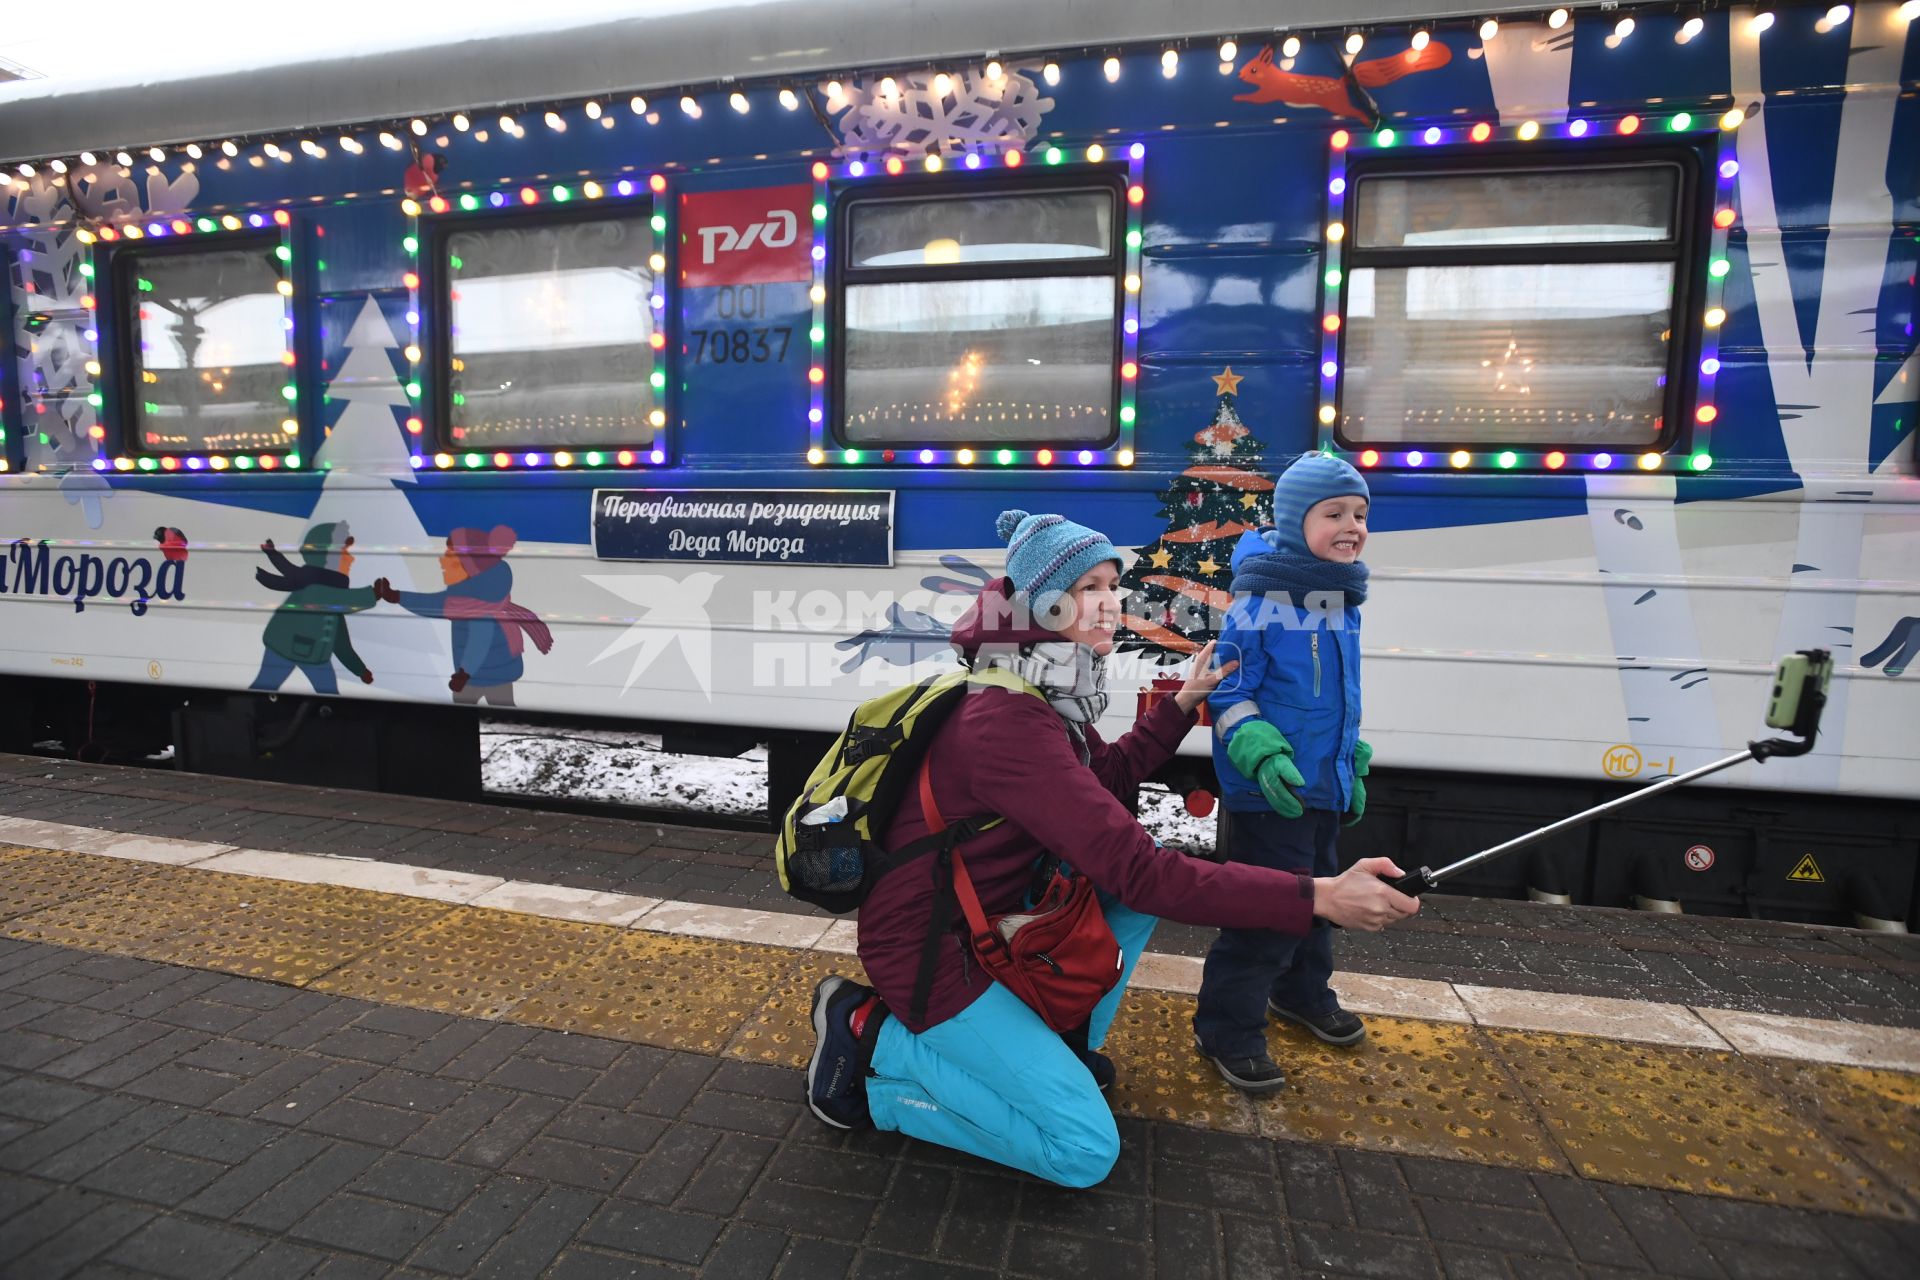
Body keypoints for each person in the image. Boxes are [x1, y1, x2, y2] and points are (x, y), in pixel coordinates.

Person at [805, 508, 1418, 1188]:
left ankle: (1057, 1049)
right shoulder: (1007, 722)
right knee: (1081, 1152)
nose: (1111, 603)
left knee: (1124, 894)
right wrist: (1318, 896)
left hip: (991, 924)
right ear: (1044, 603)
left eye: (1111, 585)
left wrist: (1182, 703)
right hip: (930, 957)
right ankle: (870, 1042)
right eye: (1091, 587)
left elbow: (1106, 783)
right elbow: (1145, 870)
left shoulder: (1040, 690)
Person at [1193, 453, 1375, 1092]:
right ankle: (1227, 1028)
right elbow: (1228, 693)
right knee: (1267, 913)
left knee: (1321, 902)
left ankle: (1301, 993)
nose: (1351, 525)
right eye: (1334, 514)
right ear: (1297, 523)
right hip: (1268, 791)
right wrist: (1261, 752)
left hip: (1320, 785)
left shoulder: (1343, 600)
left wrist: (1351, 756)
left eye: (1360, 514)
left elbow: (1340, 698)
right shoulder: (1259, 603)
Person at [373, 525, 552, 705]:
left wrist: (464, 673)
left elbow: (479, 641)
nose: (442, 561)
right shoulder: (464, 599)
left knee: (467, 711)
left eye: (450, 556)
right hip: (492, 673)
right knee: (502, 710)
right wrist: (396, 596)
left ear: (469, 566)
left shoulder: (476, 606)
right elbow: (430, 604)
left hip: (481, 675)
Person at [250, 522, 385, 695]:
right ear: (326, 555)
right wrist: (373, 594)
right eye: (345, 552)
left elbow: (341, 644)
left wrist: (360, 670)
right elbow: (341, 599)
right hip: (282, 649)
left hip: (314, 657)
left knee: (328, 691)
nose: (351, 559)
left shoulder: (324, 595)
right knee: (265, 686)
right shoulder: (317, 590)